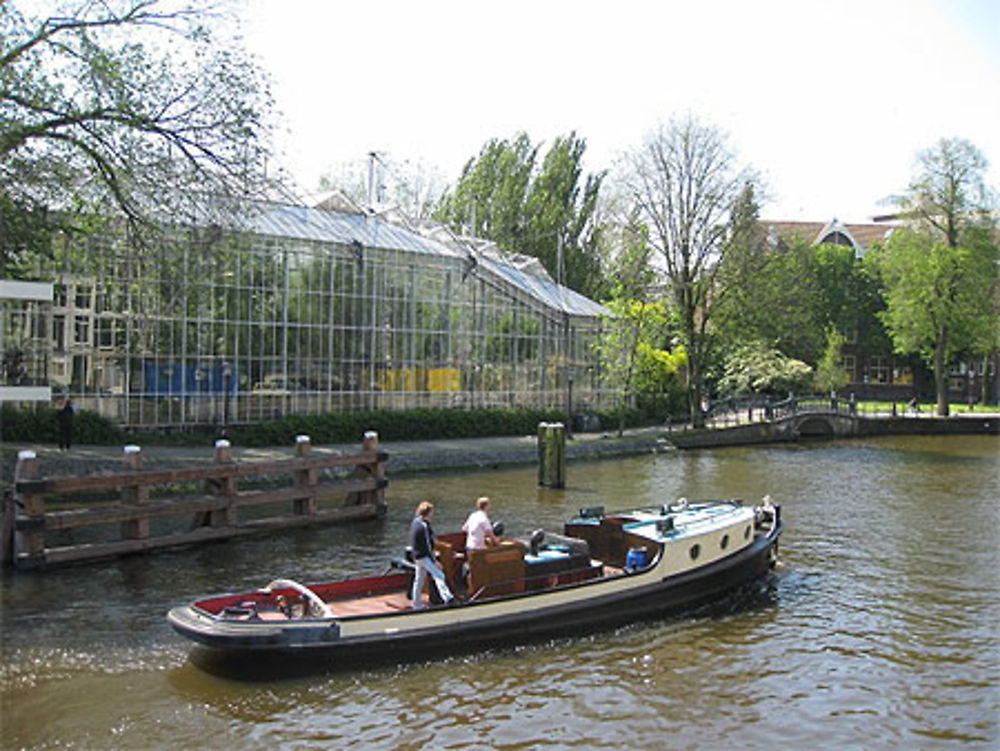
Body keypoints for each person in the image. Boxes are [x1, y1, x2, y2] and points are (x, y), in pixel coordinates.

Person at [408, 501, 455, 609]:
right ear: (428, 513)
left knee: (419, 580)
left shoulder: (415, 522)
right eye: (432, 512)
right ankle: (448, 599)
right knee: (439, 575)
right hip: (424, 556)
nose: (433, 514)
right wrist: (435, 561)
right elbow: (428, 545)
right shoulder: (424, 526)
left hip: (417, 556)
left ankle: (416, 604)